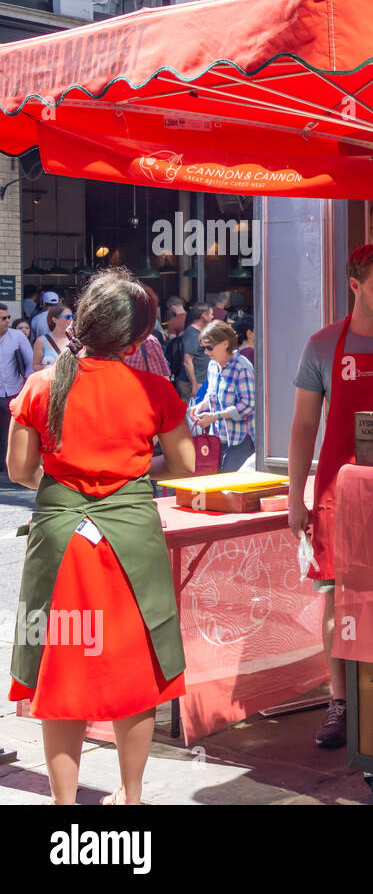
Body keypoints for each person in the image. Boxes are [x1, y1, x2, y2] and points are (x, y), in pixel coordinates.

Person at [6, 268, 195, 805]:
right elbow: (183, 467)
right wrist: (130, 472)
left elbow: (20, 470)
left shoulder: (42, 385)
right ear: (138, 341)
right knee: (136, 673)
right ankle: (131, 798)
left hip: (60, 544)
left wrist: (71, 483)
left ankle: (65, 807)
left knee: (61, 672)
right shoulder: (153, 389)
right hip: (131, 544)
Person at [289, 245, 373, 749]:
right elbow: (303, 426)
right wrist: (298, 496)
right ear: (355, 286)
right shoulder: (321, 345)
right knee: (337, 596)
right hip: (339, 489)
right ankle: (339, 700)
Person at [189, 320, 256, 472]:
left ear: (225, 344)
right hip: (218, 437)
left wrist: (214, 416)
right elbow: (211, 394)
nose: (206, 352)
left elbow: (248, 406)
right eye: (203, 347)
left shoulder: (242, 367)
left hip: (240, 439)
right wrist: (201, 406)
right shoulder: (212, 365)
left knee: (228, 484)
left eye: (209, 347)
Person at [0, 305, 33, 466]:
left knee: (10, 432)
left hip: (14, 392)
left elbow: (30, 363)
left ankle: (8, 465)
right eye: (3, 318)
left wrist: (26, 386)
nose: (7, 321)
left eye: (8, 318)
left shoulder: (18, 337)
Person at [176, 303, 213, 402]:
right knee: (193, 413)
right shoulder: (192, 334)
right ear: (204, 315)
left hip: (202, 380)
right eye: (211, 314)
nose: (212, 317)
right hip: (194, 382)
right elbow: (187, 361)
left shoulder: (202, 332)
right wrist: (194, 384)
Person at [32, 303, 73, 373]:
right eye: (67, 317)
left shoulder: (75, 340)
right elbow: (35, 366)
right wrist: (52, 367)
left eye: (72, 316)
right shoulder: (41, 341)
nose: (71, 319)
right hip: (50, 382)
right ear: (55, 319)